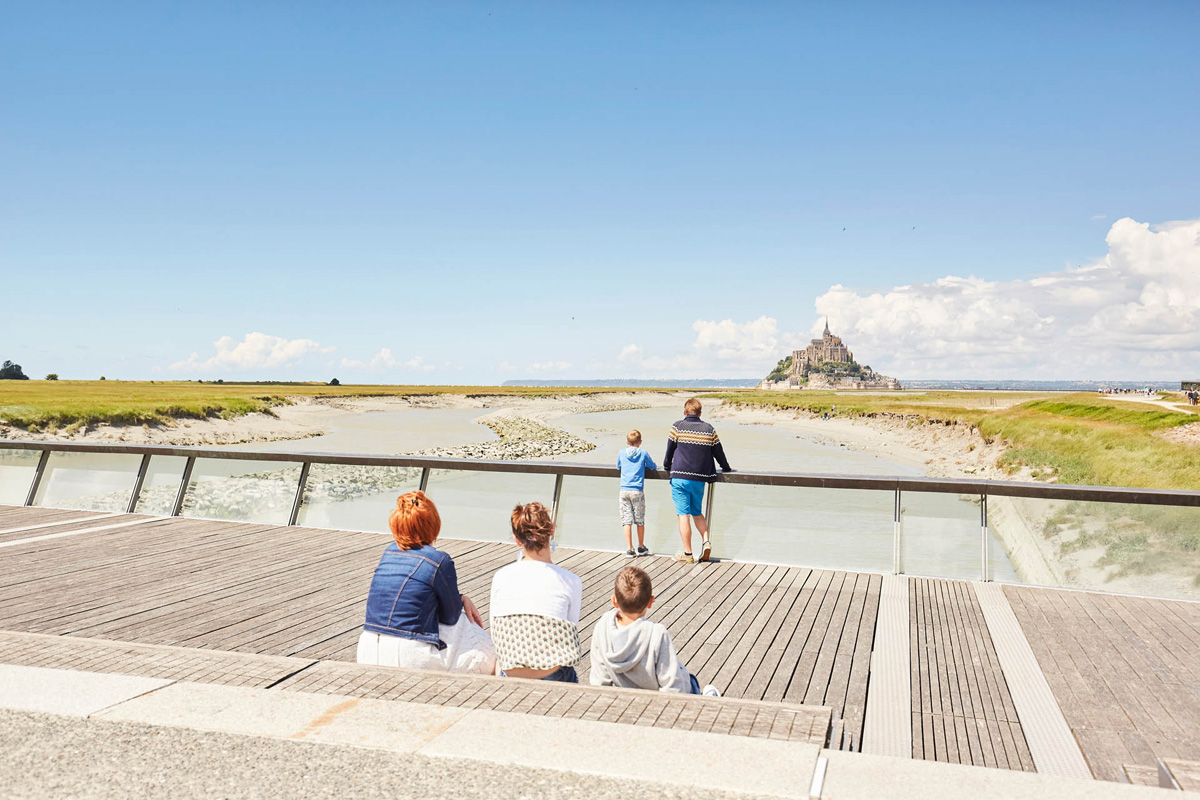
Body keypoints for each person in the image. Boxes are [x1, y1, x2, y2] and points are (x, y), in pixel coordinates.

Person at [358, 491, 495, 674]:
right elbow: (450, 617)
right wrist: (461, 600)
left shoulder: (388, 553)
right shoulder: (438, 560)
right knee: (479, 641)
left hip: (368, 649)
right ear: (433, 524)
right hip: (407, 655)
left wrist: (460, 598)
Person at [489, 501, 583, 682]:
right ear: (552, 530)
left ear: (517, 540)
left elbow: (495, 633)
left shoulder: (501, 577)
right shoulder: (570, 581)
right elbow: (570, 631)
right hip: (553, 675)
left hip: (510, 673)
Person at [590, 565, 719, 696]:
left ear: (614, 601)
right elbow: (672, 687)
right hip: (656, 699)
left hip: (626, 697)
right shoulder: (656, 634)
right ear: (651, 601)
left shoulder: (603, 626)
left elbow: (599, 680)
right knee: (690, 680)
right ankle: (707, 697)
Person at [663, 398, 732, 563]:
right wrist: (727, 468)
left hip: (679, 476)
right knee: (697, 512)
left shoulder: (677, 426)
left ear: (684, 412)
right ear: (700, 413)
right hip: (699, 478)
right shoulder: (709, 429)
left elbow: (669, 451)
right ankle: (706, 541)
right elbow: (719, 453)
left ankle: (688, 554)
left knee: (683, 515)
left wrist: (667, 466)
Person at [617, 428, 657, 557]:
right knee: (639, 520)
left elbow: (618, 466)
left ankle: (629, 548)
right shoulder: (643, 453)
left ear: (627, 441)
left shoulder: (621, 453)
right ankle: (641, 546)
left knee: (626, 521)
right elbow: (652, 466)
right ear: (640, 442)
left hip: (624, 490)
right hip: (637, 491)